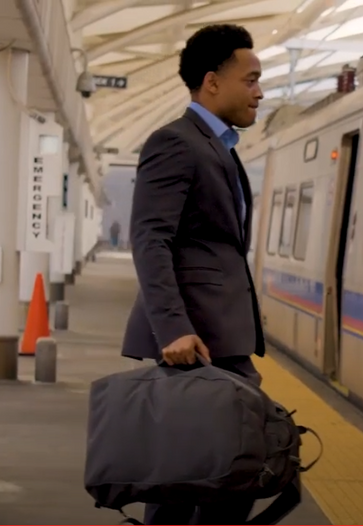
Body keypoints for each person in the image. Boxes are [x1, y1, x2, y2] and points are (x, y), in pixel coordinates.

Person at [121, 24, 266, 525]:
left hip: (217, 340)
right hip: (194, 343)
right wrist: (173, 328)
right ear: (212, 82)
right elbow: (149, 238)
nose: (259, 91)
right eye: (250, 79)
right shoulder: (177, 143)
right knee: (200, 474)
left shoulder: (218, 147)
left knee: (206, 474)